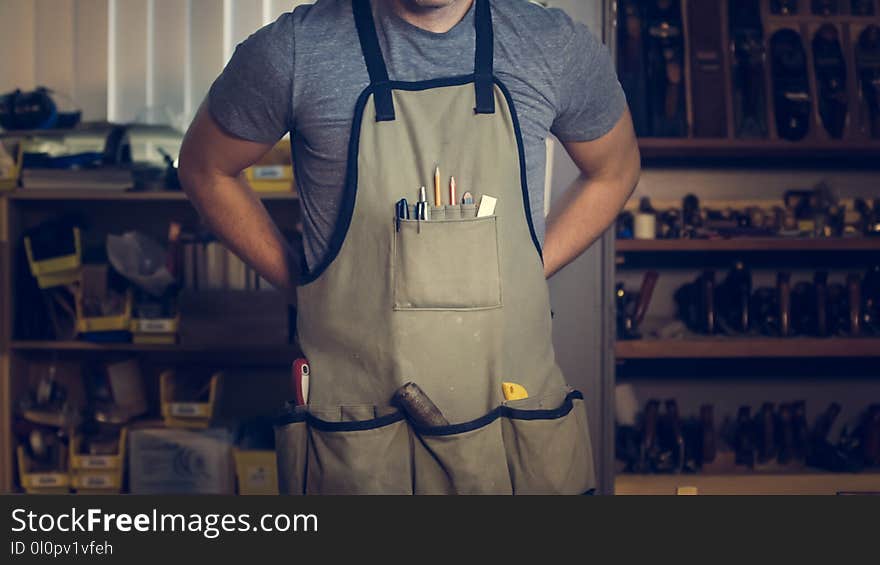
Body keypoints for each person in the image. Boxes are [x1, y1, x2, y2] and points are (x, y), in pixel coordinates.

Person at [179, 0, 640, 495]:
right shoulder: (294, 50)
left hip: (515, 440)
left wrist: (526, 267)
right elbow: (205, 168)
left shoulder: (550, 42)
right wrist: (308, 284)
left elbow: (615, 171)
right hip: (362, 448)